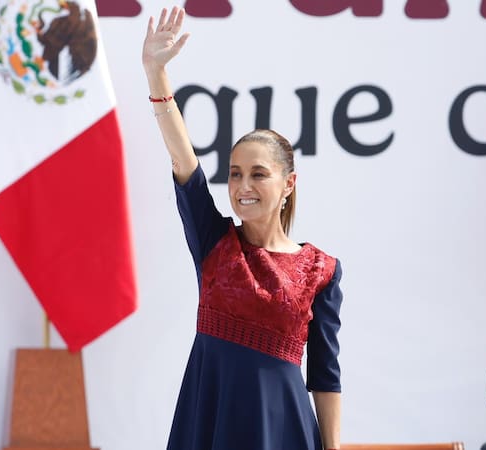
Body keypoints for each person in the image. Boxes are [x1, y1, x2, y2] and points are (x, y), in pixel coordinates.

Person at [142, 7, 343, 450]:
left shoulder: (322, 269)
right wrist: (156, 74)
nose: (242, 186)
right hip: (211, 422)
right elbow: (183, 161)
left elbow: (325, 377)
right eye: (234, 174)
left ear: (288, 183)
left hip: (285, 430)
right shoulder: (214, 242)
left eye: (258, 174)